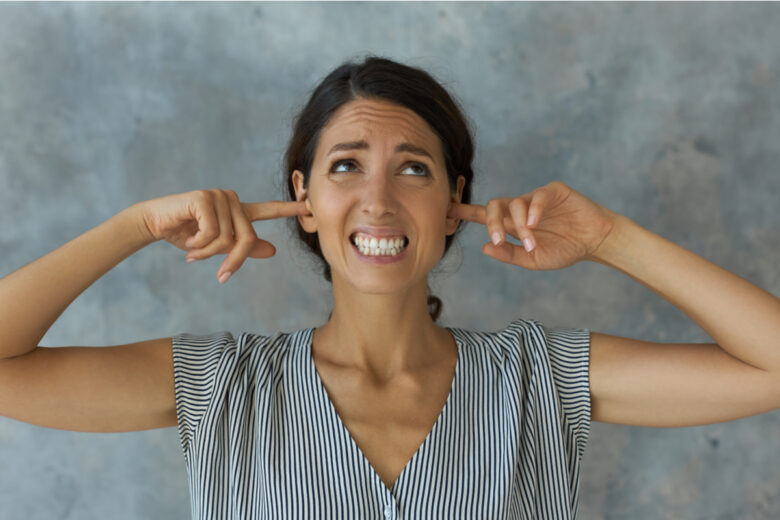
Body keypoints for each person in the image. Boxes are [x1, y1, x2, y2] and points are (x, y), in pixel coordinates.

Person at [0, 55, 778, 520]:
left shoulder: (539, 377)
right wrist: (134, 224)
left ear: (452, 202)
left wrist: (610, 236)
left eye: (413, 168)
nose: (377, 201)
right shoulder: (223, 385)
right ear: (302, 197)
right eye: (345, 166)